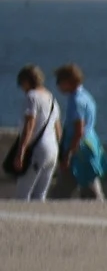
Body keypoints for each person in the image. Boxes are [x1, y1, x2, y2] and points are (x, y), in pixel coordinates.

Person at [54, 63, 107, 200]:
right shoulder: (86, 96)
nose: (57, 85)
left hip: (79, 147)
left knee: (72, 185)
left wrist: (68, 153)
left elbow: (78, 130)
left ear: (69, 81)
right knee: (87, 182)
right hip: (90, 142)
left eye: (59, 81)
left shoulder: (76, 101)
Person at [10, 65, 61, 201]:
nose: (21, 88)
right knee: (40, 195)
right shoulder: (52, 99)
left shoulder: (31, 97)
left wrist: (20, 152)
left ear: (26, 81)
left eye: (21, 83)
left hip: (37, 150)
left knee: (23, 195)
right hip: (52, 150)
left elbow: (29, 125)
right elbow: (58, 129)